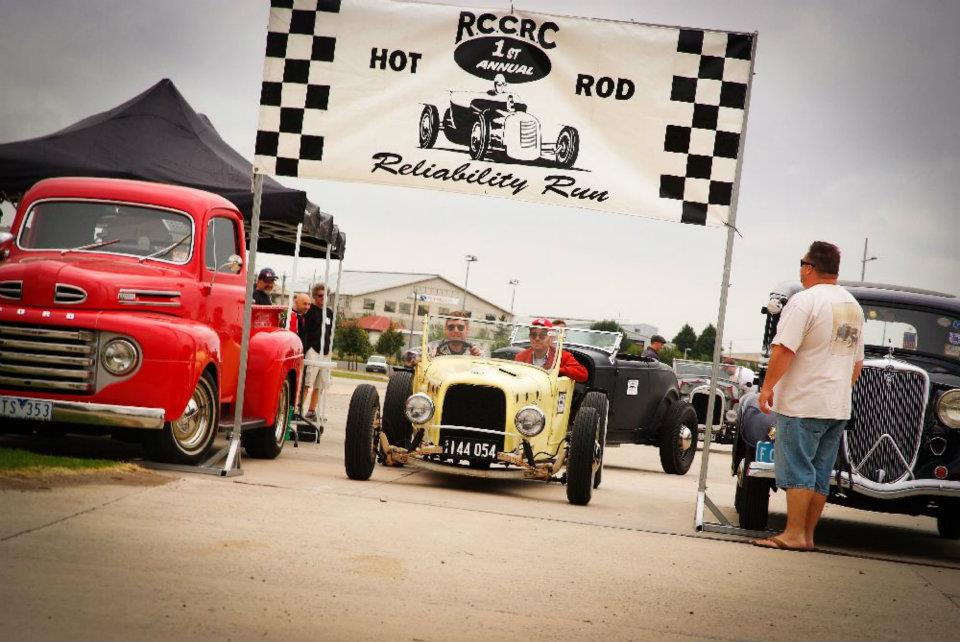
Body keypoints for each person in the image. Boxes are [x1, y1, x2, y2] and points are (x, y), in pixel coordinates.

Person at [754, 241, 864, 552]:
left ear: (809, 267)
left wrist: (767, 387)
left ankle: (792, 534)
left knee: (797, 468)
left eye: (801, 263)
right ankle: (808, 535)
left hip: (803, 401)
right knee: (819, 473)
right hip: (837, 404)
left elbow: (784, 349)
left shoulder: (804, 302)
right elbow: (857, 364)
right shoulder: (852, 307)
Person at [515, 318, 588, 383]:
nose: (537, 338)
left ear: (550, 338)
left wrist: (557, 370)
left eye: (542, 335)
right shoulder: (521, 356)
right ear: (530, 337)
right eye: (533, 335)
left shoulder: (562, 356)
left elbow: (583, 375)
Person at [302, 283, 334, 421]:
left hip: (325, 353)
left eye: (325, 295)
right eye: (320, 295)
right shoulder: (310, 311)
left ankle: (311, 411)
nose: (323, 298)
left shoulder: (330, 313)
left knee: (319, 385)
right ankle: (298, 409)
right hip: (313, 350)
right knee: (307, 382)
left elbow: (330, 331)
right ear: (315, 296)